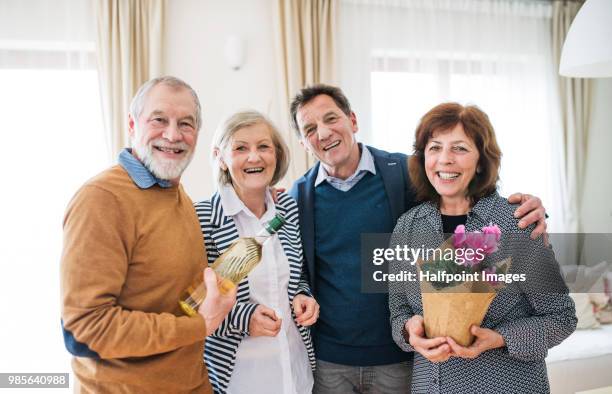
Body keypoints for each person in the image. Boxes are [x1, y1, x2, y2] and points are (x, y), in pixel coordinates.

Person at [288, 84, 549, 394]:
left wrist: (531, 214)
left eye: (331, 118)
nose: (324, 132)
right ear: (304, 143)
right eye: (310, 128)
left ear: (353, 121)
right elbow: (295, 268)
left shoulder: (402, 172)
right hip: (333, 359)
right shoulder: (298, 197)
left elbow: (469, 196)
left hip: (397, 361)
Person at [60, 76, 236, 393]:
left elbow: (175, 300)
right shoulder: (101, 199)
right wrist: (200, 325)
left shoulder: (179, 196)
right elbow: (84, 330)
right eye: (159, 120)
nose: (172, 134)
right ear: (132, 124)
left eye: (186, 123)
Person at [388, 102, 577, 393]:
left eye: (460, 149)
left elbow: (561, 317)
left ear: (480, 161)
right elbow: (398, 311)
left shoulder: (517, 221)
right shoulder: (407, 226)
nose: (445, 159)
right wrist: (410, 331)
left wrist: (499, 338)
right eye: (435, 147)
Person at [195, 110, 318, 394]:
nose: (254, 157)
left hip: (295, 372)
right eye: (240, 148)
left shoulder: (286, 208)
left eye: (263, 146)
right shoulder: (202, 218)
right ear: (221, 158)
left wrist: (303, 296)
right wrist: (244, 318)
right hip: (240, 378)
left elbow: (295, 277)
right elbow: (195, 305)